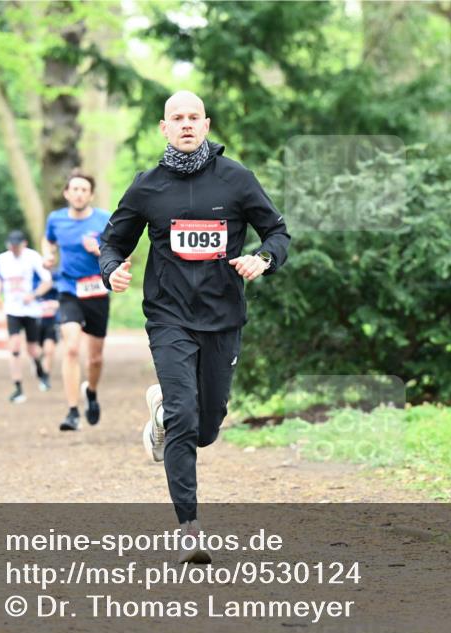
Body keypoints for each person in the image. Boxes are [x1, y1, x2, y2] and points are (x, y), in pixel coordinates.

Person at [99, 91, 290, 563]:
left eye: (193, 117)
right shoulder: (147, 187)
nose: (185, 125)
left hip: (223, 316)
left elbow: (277, 232)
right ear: (164, 128)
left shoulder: (237, 179)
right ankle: (189, 528)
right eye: (176, 118)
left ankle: (164, 413)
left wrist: (263, 258)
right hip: (168, 316)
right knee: (187, 417)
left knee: (206, 428)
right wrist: (111, 270)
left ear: (206, 125)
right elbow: (112, 242)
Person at [42, 170, 112, 431]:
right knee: (71, 348)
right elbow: (48, 241)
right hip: (68, 289)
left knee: (95, 358)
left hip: (97, 291)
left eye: (85, 189)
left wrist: (100, 250)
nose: (80, 193)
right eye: (75, 189)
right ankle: (72, 411)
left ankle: (91, 392)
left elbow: (120, 252)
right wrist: (48, 256)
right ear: (67, 193)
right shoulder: (56, 219)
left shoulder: (105, 219)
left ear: (91, 195)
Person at [0, 230, 53, 403]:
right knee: (14, 347)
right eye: (11, 246)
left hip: (30, 309)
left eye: (17, 246)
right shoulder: (2, 259)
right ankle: (18, 387)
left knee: (32, 349)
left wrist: (33, 295)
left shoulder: (33, 257)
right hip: (12, 309)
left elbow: (47, 281)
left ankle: (42, 373)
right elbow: (0, 280)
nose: (14, 249)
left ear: (24, 244)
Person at [33, 268, 61, 391]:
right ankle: (39, 368)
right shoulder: (33, 278)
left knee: (49, 350)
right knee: (36, 352)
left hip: (51, 322)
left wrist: (56, 305)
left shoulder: (58, 278)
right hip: (35, 322)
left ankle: (46, 377)